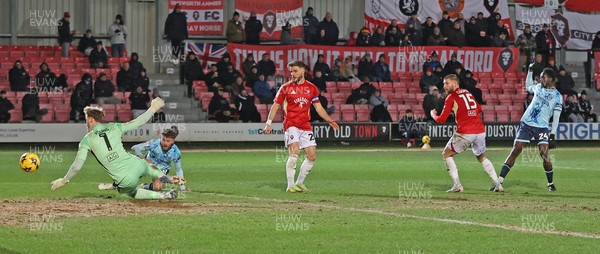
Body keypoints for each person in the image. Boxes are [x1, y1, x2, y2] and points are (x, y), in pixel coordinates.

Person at [51, 98, 183, 199]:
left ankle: (162, 196)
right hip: (136, 164)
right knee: (148, 166)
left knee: (130, 192)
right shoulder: (114, 126)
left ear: (91, 120)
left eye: (86, 120)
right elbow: (138, 122)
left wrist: (65, 179)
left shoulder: (86, 140)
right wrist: (152, 109)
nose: (86, 124)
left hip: (124, 179)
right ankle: (166, 178)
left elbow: (77, 166)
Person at [264, 60, 339, 193]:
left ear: (303, 71)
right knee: (294, 152)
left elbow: (318, 107)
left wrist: (329, 120)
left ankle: (299, 183)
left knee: (311, 156)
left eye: (295, 71)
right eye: (291, 71)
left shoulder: (312, 88)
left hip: (305, 125)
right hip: (291, 123)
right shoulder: (285, 88)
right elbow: (275, 106)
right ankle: (290, 185)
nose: (292, 74)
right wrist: (268, 123)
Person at [430, 74, 503, 193]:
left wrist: (433, 115)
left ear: (455, 83)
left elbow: (441, 120)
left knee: (446, 154)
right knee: (481, 157)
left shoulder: (451, 97)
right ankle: (498, 184)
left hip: (465, 132)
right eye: (444, 83)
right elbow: (479, 109)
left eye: (447, 83)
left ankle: (457, 185)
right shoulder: (467, 92)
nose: (444, 86)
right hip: (480, 130)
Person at [495, 65, 563, 192]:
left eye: (545, 77)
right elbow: (527, 87)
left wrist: (552, 135)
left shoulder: (557, 96)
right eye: (541, 77)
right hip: (526, 124)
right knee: (516, 150)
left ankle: (550, 183)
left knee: (545, 155)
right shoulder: (538, 87)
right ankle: (499, 182)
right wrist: (530, 71)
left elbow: (557, 117)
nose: (542, 79)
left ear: (552, 79)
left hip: (542, 128)